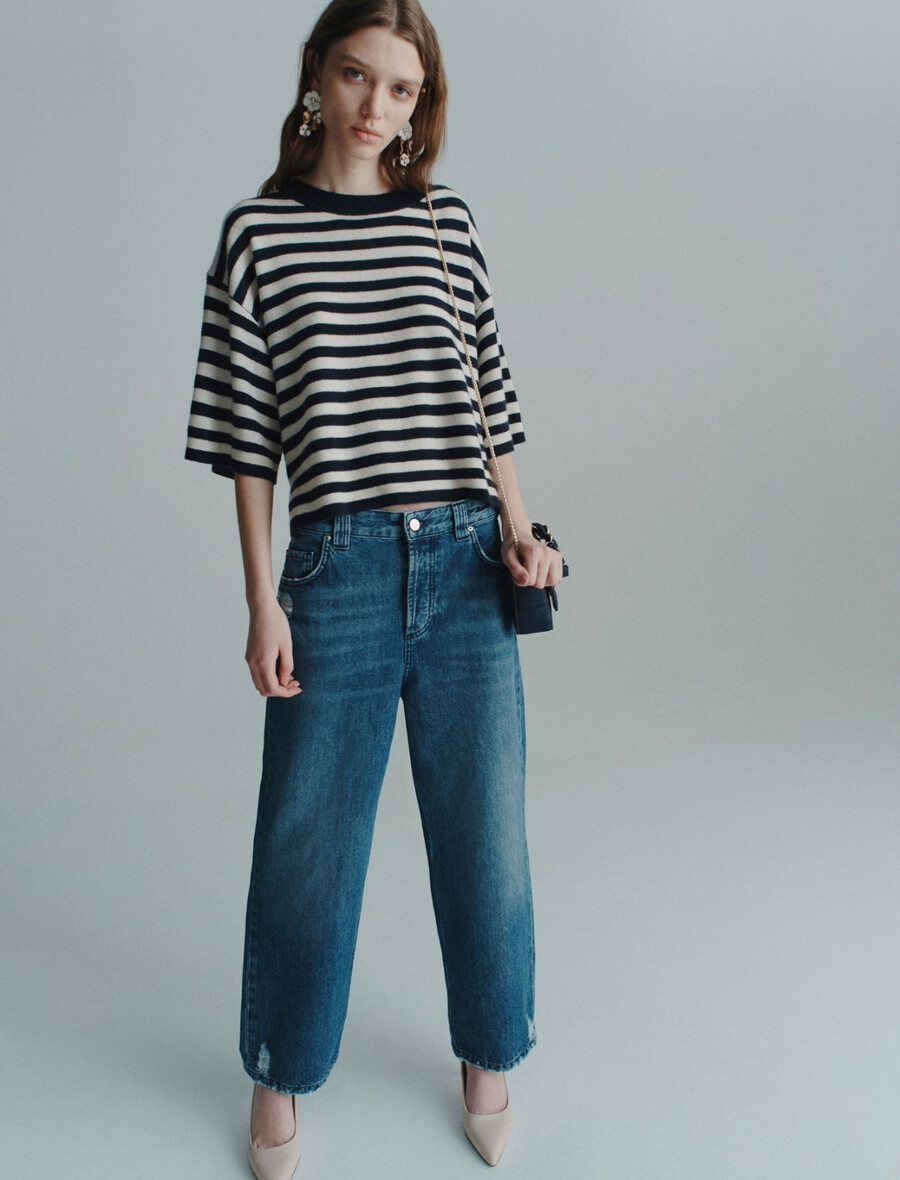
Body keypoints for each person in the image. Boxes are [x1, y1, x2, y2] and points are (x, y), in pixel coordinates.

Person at [183, 2, 563, 1173]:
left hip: (466, 563)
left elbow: (488, 394)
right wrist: (262, 599)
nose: (376, 107)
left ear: (420, 104)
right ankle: (282, 1069)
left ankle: (489, 1053)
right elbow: (246, 440)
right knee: (309, 840)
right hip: (336, 567)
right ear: (318, 73)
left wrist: (522, 532)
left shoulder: (446, 225)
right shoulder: (257, 236)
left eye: (402, 89)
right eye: (357, 76)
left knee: (485, 831)